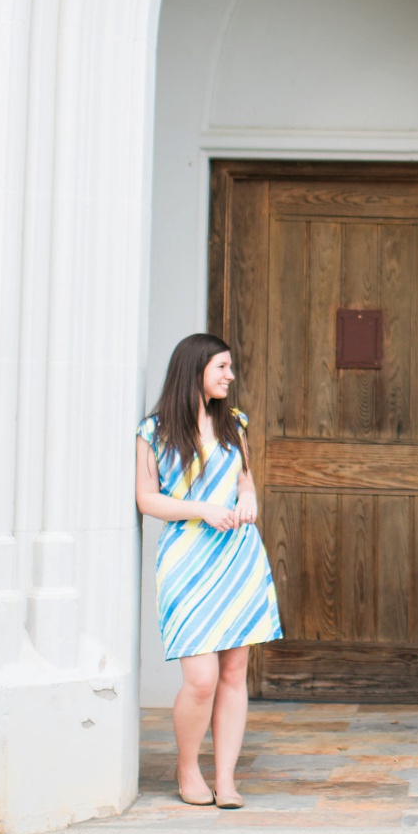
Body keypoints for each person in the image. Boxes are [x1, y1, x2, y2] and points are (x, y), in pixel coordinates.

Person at [136, 333, 282, 808]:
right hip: (187, 559)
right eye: (222, 367)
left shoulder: (234, 424)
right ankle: (187, 769)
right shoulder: (152, 432)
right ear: (195, 368)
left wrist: (248, 502)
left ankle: (227, 778)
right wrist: (201, 508)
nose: (230, 376)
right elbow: (147, 499)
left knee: (235, 670)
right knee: (200, 678)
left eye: (230, 367)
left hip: (237, 556)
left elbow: (246, 485)